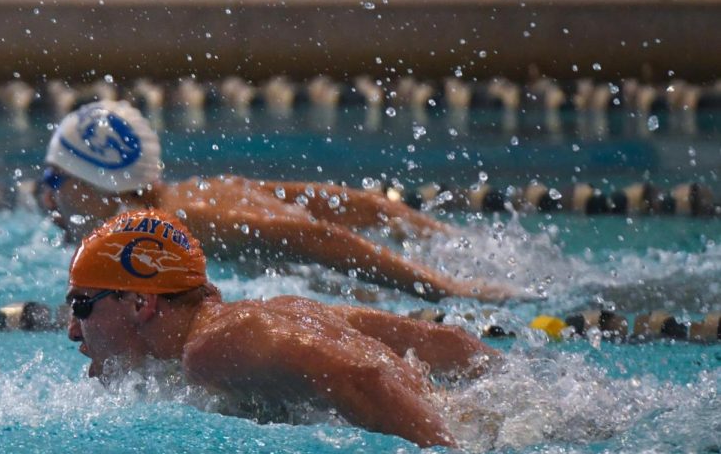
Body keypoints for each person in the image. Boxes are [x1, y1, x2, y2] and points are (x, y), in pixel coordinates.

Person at [65, 209, 500, 448]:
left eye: (82, 305)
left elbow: (362, 378)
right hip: (493, 414)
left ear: (141, 302)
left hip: (472, 436)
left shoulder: (212, 349)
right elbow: (446, 342)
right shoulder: (279, 311)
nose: (72, 330)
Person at [42, 99, 518, 302]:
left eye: (55, 178)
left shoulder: (177, 221)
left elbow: (315, 236)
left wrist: (446, 289)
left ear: (96, 183)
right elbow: (356, 204)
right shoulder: (198, 190)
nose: (47, 198)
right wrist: (456, 240)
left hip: (342, 286)